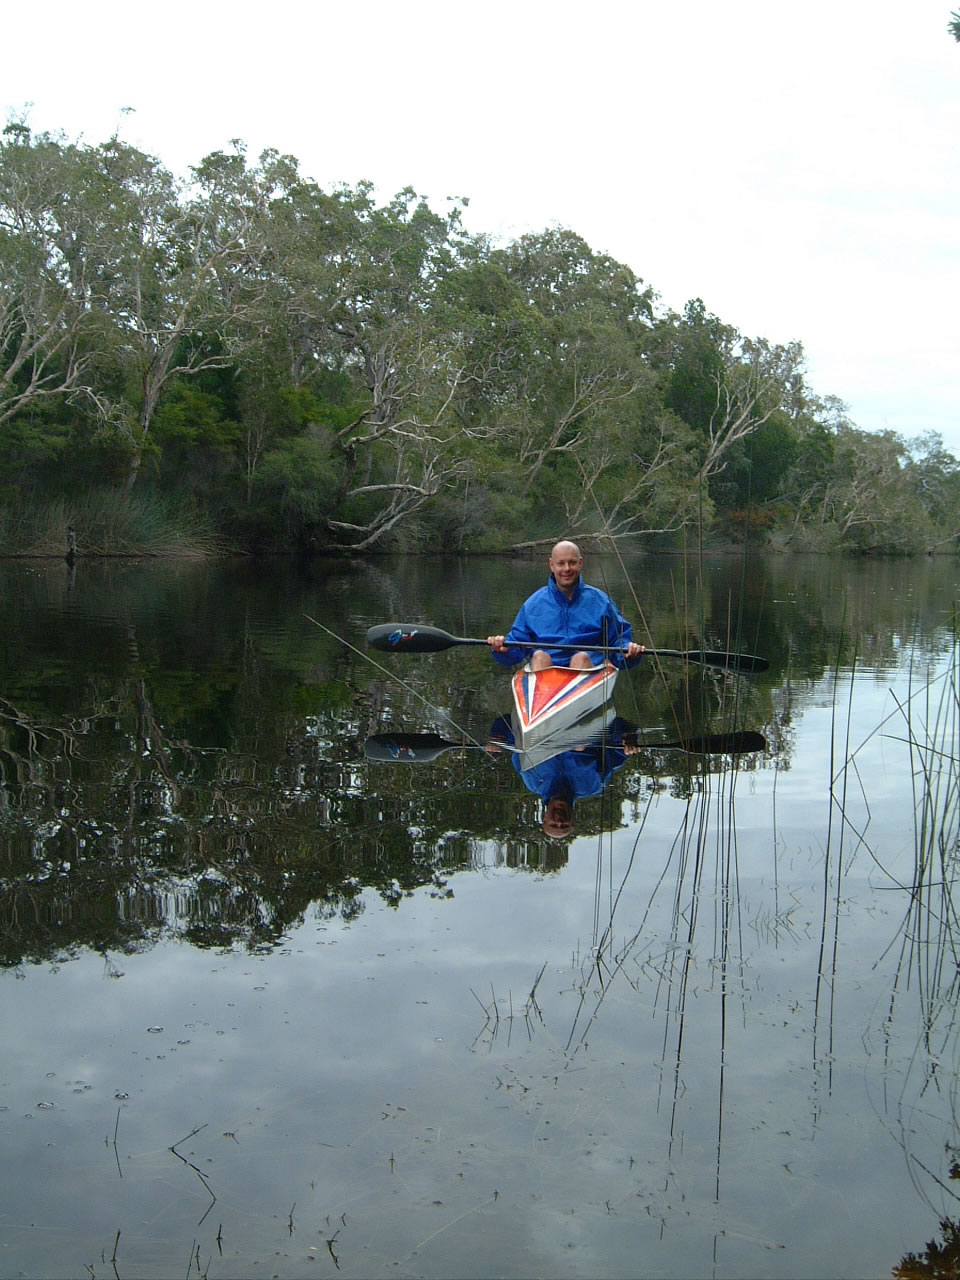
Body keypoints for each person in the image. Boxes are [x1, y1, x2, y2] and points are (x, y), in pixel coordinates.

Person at [487, 540, 644, 670]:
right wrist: (503, 649)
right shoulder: (533, 604)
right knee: (539, 656)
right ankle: (544, 705)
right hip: (545, 673)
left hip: (587, 668)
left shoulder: (601, 601)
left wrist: (628, 651)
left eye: (572, 563)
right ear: (552, 565)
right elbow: (516, 647)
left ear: (581, 563)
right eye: (561, 563)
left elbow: (619, 640)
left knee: (580, 658)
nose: (566, 569)